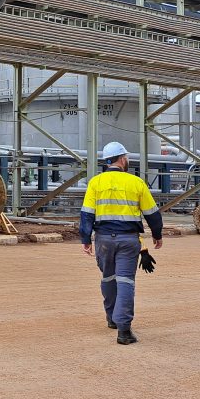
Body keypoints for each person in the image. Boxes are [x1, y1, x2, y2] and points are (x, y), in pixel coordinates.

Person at [80, 141, 164, 345]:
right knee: (126, 281)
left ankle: (111, 319)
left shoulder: (95, 182)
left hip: (103, 240)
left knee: (108, 278)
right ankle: (124, 331)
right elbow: (152, 213)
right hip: (128, 240)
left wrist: (85, 238)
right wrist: (157, 234)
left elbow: (87, 214)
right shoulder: (136, 183)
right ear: (122, 159)